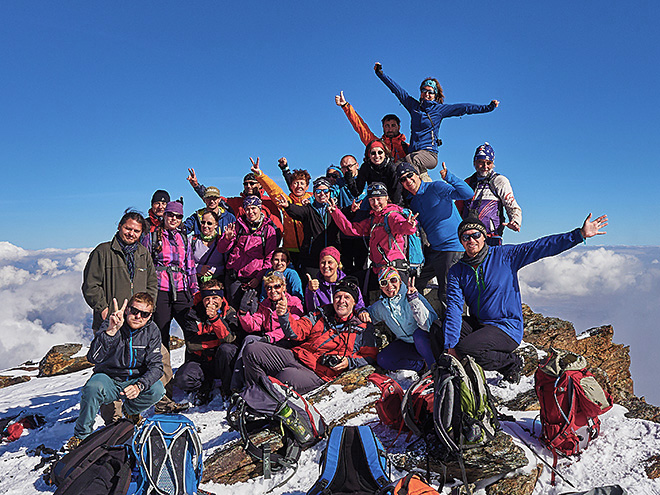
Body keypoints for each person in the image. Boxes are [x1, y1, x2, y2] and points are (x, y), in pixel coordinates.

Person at [444, 214, 608, 385]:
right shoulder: (458, 270)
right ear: (461, 241)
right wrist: (450, 346)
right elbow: (454, 307)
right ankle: (451, 372)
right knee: (439, 329)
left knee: (466, 349)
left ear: (484, 236)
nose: (471, 240)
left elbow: (541, 247)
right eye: (465, 236)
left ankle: (510, 363)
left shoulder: (505, 256)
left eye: (475, 235)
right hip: (481, 324)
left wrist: (579, 235)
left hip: (506, 327)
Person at [82, 209, 185, 421]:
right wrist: (103, 310)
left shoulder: (143, 254)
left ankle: (161, 402)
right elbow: (90, 285)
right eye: (128, 228)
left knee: (162, 358)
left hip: (139, 321)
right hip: (111, 323)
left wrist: (148, 309)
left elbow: (152, 284)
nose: (131, 233)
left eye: (136, 231)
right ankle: (115, 419)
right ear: (119, 226)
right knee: (111, 369)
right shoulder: (102, 252)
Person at [240, 277, 378, 394]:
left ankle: (259, 397)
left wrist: (349, 362)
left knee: (284, 377)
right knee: (252, 349)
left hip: (318, 372)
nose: (341, 301)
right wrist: (284, 316)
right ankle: (254, 393)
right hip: (297, 355)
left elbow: (370, 356)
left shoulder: (362, 328)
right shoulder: (321, 314)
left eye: (347, 297)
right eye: (338, 297)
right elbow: (296, 332)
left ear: (354, 302)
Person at [66, 294, 165, 450]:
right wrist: (110, 332)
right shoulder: (112, 322)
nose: (138, 316)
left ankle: (131, 411)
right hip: (109, 378)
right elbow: (93, 357)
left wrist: (139, 386)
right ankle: (82, 436)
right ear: (127, 310)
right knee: (92, 388)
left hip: (134, 379)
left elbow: (156, 366)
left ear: (150, 315)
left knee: (158, 389)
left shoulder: (152, 331)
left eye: (144, 314)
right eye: (134, 311)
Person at [374, 62, 499, 181]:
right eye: (424, 90)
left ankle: (417, 191)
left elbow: (464, 108)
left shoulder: (439, 110)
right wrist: (380, 74)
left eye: (430, 92)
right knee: (395, 167)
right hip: (414, 155)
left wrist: (488, 107)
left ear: (435, 95)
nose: (427, 94)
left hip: (429, 154)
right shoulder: (414, 107)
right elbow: (397, 90)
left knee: (411, 159)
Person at [398, 162, 473, 316]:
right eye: (403, 179)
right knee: (415, 282)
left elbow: (467, 193)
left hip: (452, 248)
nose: (408, 180)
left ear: (417, 175)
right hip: (435, 250)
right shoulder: (414, 202)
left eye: (410, 175)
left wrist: (449, 177)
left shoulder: (436, 188)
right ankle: (424, 321)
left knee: (446, 292)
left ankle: (454, 330)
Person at [329, 182, 418, 295]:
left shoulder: (392, 215)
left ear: (386, 198)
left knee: (397, 307)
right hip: (378, 270)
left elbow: (401, 227)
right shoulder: (373, 219)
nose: (375, 203)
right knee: (351, 283)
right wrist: (336, 212)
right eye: (372, 200)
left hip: (394, 271)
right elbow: (350, 229)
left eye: (379, 198)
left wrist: (409, 225)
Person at [142, 201, 198, 350]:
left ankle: (192, 368)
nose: (174, 219)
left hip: (181, 289)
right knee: (161, 333)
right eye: (170, 215)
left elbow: (190, 267)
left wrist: (195, 292)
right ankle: (163, 371)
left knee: (191, 329)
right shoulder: (151, 237)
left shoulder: (184, 239)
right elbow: (144, 266)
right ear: (165, 215)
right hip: (160, 289)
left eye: (178, 216)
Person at [174, 280, 239, 404]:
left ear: (221, 298)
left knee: (227, 349)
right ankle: (203, 385)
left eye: (215, 298)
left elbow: (230, 339)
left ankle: (228, 389)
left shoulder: (230, 312)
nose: (211, 302)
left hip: (221, 362)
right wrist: (219, 340)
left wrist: (214, 319)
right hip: (200, 361)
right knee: (182, 380)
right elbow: (191, 344)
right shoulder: (192, 314)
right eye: (207, 298)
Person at [365, 267, 437, 373]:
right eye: (384, 283)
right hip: (407, 343)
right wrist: (361, 311)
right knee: (383, 359)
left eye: (393, 280)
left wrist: (414, 301)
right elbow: (368, 315)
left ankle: (435, 370)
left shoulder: (411, 294)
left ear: (399, 280)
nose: (390, 286)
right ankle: (421, 367)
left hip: (427, 341)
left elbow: (428, 325)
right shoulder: (381, 306)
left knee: (419, 335)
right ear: (380, 287)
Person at [217, 195, 279, 309]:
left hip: (254, 279)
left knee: (251, 311)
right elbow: (221, 249)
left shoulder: (268, 229)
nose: (251, 212)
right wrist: (226, 239)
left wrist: (259, 278)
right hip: (234, 277)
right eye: (247, 209)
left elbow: (270, 256)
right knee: (233, 311)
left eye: (253, 208)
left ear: (260, 209)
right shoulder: (237, 226)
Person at [249, 157, 311, 269]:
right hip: (290, 249)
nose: (299, 186)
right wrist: (260, 175)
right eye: (296, 183)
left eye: (302, 183)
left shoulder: (312, 201)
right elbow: (273, 190)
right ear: (291, 186)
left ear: (307, 186)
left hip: (309, 248)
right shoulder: (286, 200)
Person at [457, 143, 522, 246]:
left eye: (489, 163)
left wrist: (515, 221)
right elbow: (457, 209)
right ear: (474, 162)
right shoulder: (468, 182)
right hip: (469, 237)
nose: (485, 166)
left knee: (490, 261)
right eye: (481, 162)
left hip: (492, 236)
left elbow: (511, 204)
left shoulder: (499, 181)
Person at [275, 177, 342, 277]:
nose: (322, 194)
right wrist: (288, 206)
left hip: (330, 257)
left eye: (325, 191)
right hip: (311, 257)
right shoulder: (309, 210)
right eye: (318, 191)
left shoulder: (335, 210)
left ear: (330, 192)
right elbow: (298, 211)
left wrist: (352, 211)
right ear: (314, 194)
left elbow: (346, 218)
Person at [187, 167, 283, 233]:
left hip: (264, 247)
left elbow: (278, 227)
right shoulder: (237, 202)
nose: (248, 186)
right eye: (245, 184)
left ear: (260, 185)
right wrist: (197, 186)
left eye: (252, 183)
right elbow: (214, 199)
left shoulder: (269, 202)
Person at [335, 90, 409, 161]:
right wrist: (345, 106)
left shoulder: (407, 147)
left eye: (393, 125)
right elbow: (360, 127)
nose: (390, 129)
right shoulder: (376, 144)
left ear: (399, 127)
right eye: (387, 126)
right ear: (383, 127)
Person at [304, 246, 366, 313]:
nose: (326, 266)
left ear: (337, 264)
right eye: (323, 262)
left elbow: (359, 306)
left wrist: (362, 313)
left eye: (330, 262)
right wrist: (311, 292)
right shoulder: (314, 285)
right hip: (324, 321)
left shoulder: (348, 283)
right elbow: (312, 311)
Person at [345, 140, 403, 205]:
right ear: (369, 155)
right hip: (374, 201)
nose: (377, 156)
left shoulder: (391, 167)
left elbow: (397, 191)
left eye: (380, 152)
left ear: (385, 153)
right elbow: (357, 191)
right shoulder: (366, 167)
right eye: (373, 153)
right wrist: (349, 177)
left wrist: (394, 207)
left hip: (391, 201)